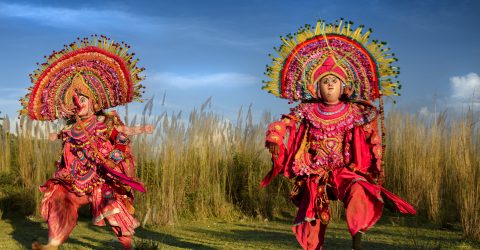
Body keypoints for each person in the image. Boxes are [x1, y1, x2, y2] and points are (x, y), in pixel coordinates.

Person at [260, 20, 416, 250]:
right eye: (325, 81)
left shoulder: (355, 112)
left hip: (344, 169)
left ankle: (357, 239)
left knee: (359, 189)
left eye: (334, 81)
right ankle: (312, 246)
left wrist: (373, 140)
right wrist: (274, 139)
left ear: (343, 87)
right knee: (311, 208)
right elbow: (283, 124)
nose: (330, 85)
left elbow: (370, 137)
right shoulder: (306, 110)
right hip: (314, 169)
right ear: (316, 87)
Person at [19, 36, 150, 250]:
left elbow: (121, 132)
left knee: (113, 208)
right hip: (74, 177)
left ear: (94, 101)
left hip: (100, 176)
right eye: (75, 99)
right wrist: (50, 136)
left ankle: (128, 246)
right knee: (59, 197)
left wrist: (140, 130)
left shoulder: (104, 121)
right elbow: (59, 136)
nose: (79, 102)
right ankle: (53, 243)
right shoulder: (70, 129)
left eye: (83, 98)